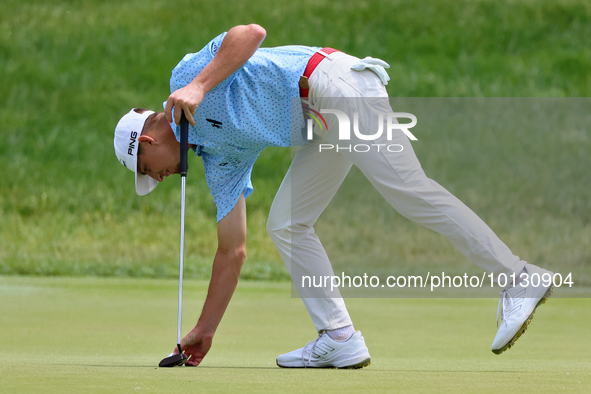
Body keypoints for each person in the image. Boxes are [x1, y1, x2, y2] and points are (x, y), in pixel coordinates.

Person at [113, 24, 555, 368]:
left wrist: (199, 86)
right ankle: (339, 336)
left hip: (332, 85)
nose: (163, 178)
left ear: (147, 144)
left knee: (408, 189)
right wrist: (204, 330)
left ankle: (519, 276)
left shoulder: (185, 78)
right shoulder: (216, 158)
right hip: (318, 124)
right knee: (285, 223)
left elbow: (251, 34)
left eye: (152, 172)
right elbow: (232, 250)